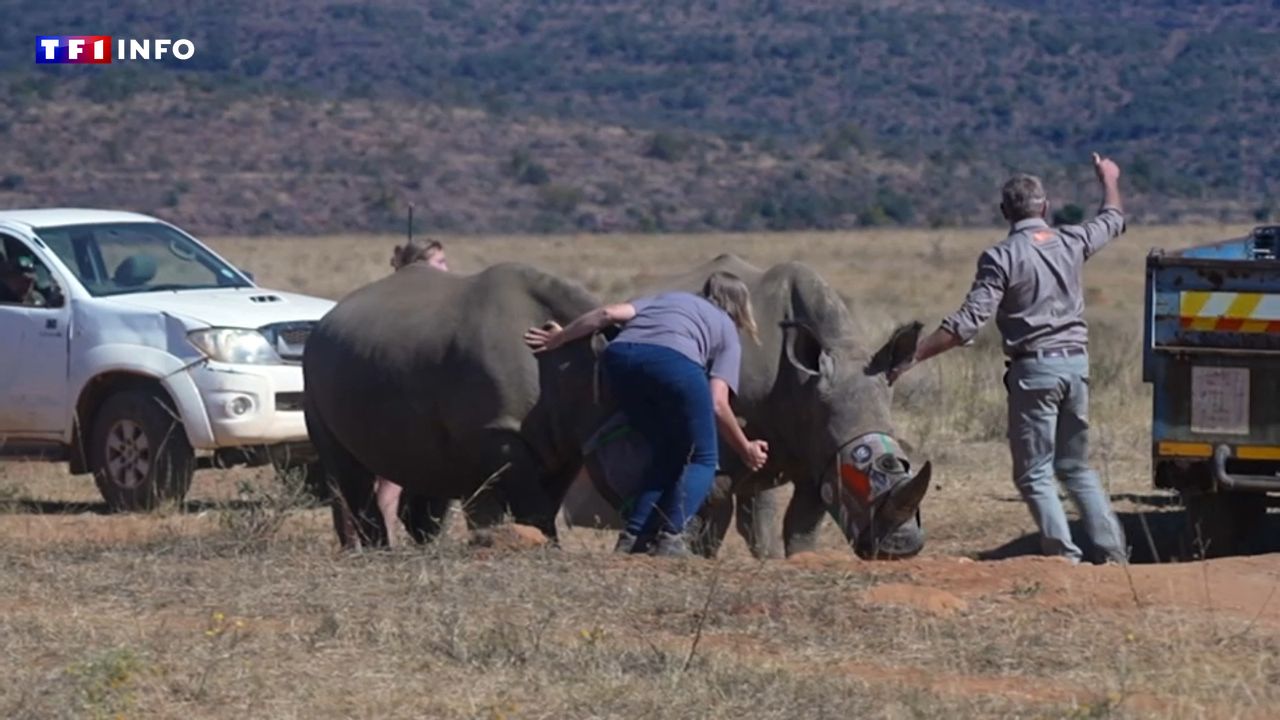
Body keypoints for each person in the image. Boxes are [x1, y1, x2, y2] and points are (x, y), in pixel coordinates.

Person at [888, 153, 1129, 565]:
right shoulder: (1071, 241)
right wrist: (1108, 179)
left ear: (1004, 212)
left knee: (1035, 472)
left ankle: (1063, 559)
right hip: (1076, 366)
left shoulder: (1000, 257)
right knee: (1076, 466)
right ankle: (1113, 554)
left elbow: (968, 323)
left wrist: (914, 356)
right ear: (1046, 206)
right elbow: (1113, 219)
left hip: (1035, 370)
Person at [524, 272, 770, 557]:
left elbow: (607, 313)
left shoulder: (669, 298)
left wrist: (561, 337)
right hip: (675, 364)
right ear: (741, 306)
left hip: (618, 362)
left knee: (669, 454)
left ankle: (633, 537)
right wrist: (746, 448)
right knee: (703, 457)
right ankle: (671, 538)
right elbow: (718, 403)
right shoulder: (727, 329)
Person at [375, 239, 450, 545]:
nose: (447, 268)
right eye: (440, 262)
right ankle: (386, 537)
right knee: (391, 477)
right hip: (402, 393)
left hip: (424, 395)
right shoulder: (405, 301)